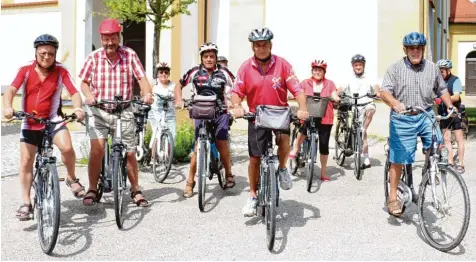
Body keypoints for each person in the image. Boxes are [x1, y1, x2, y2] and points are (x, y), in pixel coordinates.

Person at [2, 34, 86, 220]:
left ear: (55, 54)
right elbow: (11, 90)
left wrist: (78, 107)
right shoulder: (25, 70)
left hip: (53, 120)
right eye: (42, 53)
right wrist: (7, 106)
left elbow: (74, 91)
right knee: (25, 162)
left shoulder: (61, 71)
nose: (46, 57)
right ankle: (26, 202)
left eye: (50, 53)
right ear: (36, 52)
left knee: (67, 148)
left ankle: (71, 178)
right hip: (30, 121)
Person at [230, 27, 309, 217]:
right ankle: (252, 195)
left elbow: (297, 90)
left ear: (270, 45)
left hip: (279, 113)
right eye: (257, 45)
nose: (261, 48)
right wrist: (237, 106)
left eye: (264, 44)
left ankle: (282, 169)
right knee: (255, 158)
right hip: (256, 115)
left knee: (283, 140)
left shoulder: (282, 65)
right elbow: (235, 92)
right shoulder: (246, 67)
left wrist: (303, 108)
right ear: (253, 47)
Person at [79, 18, 153, 207]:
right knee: (97, 149)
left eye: (113, 38)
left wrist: (147, 93)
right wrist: (88, 96)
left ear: (119, 37)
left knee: (129, 153)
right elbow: (84, 82)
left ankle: (135, 189)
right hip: (99, 111)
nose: (109, 43)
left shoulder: (129, 55)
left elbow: (141, 78)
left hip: (124, 110)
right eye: (106, 39)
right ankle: (92, 188)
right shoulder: (94, 57)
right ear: (101, 38)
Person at [380, 32, 455, 217]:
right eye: (411, 48)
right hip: (403, 117)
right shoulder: (395, 68)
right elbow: (384, 92)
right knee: (399, 158)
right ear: (405, 50)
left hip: (425, 113)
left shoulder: (432, 68)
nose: (415, 51)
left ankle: (430, 169)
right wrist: (395, 104)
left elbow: (442, 89)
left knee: (437, 143)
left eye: (419, 48)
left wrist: (450, 105)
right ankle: (392, 198)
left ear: (423, 49)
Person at [174, 42, 236, 198]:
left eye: (212, 56)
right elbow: (178, 85)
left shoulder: (224, 73)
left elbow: (237, 88)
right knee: (197, 148)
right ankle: (190, 182)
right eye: (206, 56)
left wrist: (236, 104)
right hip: (200, 112)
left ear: (216, 58)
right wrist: (179, 100)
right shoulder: (194, 72)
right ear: (201, 58)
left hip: (220, 112)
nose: (209, 59)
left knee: (222, 143)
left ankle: (228, 173)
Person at [288, 60, 339, 181]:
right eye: (315, 69)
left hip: (325, 117)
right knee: (304, 127)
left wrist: (336, 98)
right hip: (309, 114)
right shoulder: (306, 83)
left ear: (324, 72)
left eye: (320, 70)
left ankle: (323, 172)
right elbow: (298, 92)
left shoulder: (330, 83)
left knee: (324, 145)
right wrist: (292, 95)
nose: (317, 72)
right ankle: (295, 148)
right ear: (312, 71)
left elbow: (334, 94)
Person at [338, 54, 380, 168]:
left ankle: (363, 130)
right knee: (355, 130)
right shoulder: (348, 78)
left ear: (363, 66)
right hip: (353, 106)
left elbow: (376, 86)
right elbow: (341, 88)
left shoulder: (369, 77)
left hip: (366, 103)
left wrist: (376, 92)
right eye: (356, 65)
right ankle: (350, 145)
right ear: (353, 66)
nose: (358, 67)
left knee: (370, 112)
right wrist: (340, 92)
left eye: (360, 65)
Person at [435, 59, 465, 174]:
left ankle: (461, 164)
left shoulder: (455, 80)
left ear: (448, 70)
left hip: (455, 113)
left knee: (459, 139)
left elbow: (456, 96)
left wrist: (442, 99)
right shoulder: (438, 82)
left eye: (442, 71)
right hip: (443, 114)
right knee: (446, 139)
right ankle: (450, 162)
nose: (440, 73)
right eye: (439, 71)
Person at [150, 62, 176, 140]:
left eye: (166, 72)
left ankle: (169, 152)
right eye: (161, 72)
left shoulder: (174, 85)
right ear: (157, 74)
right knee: (157, 137)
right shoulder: (154, 85)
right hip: (157, 115)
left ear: (168, 74)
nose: (163, 74)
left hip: (170, 115)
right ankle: (154, 151)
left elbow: (178, 97)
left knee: (171, 138)